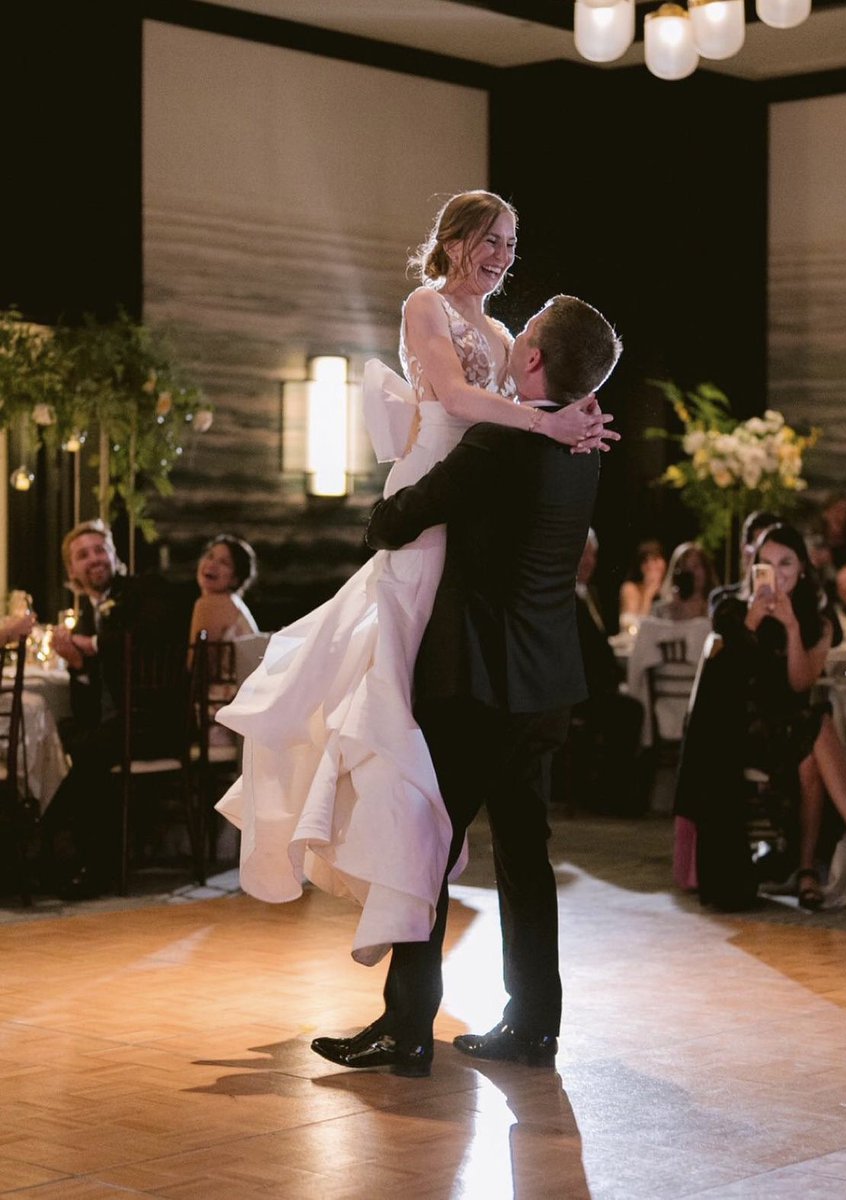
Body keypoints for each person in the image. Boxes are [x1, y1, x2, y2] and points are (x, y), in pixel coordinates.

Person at [215, 192, 612, 966]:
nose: (502, 255)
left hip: (470, 494)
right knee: (388, 665)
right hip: (433, 474)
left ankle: (398, 917)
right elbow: (463, 401)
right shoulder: (424, 304)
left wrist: (565, 419)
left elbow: (523, 400)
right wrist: (554, 424)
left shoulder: (503, 334)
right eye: (490, 239)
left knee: (414, 711)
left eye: (511, 243)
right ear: (454, 240)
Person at [310, 293, 622, 1077]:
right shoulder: (582, 448)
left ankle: (405, 1027)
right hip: (545, 684)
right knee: (524, 855)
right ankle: (533, 1024)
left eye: (529, 334)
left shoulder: (496, 445)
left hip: (477, 684)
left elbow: (392, 524)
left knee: (422, 845)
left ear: (532, 360)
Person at [676, 522, 846, 912]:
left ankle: (808, 870)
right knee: (816, 726)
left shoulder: (818, 620)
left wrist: (790, 626)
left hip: (788, 728)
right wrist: (754, 618)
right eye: (765, 563)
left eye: (786, 563)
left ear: (802, 567)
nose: (777, 572)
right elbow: (727, 680)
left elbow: (799, 682)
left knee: (811, 747)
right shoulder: (729, 606)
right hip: (738, 730)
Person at [42, 519, 180, 897]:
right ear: (72, 570)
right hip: (112, 727)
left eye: (99, 550)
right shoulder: (87, 615)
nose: (94, 559)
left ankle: (51, 844)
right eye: (83, 555)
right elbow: (89, 702)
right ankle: (80, 859)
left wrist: (91, 646)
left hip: (153, 722)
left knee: (88, 752)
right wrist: (77, 665)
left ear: (115, 555)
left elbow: (150, 635)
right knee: (72, 739)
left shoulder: (145, 590)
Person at [562, 529, 645, 816]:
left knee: (629, 707)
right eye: (584, 553)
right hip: (577, 690)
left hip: (594, 684)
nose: (589, 561)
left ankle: (614, 790)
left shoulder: (590, 594)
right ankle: (611, 794)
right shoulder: (565, 597)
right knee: (629, 712)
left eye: (593, 554)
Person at [189, 534, 259, 644]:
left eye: (224, 562)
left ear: (235, 579)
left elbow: (200, 659)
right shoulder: (233, 602)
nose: (212, 564)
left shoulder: (211, 603)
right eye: (210, 556)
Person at [652, 541, 717, 622]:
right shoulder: (661, 612)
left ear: (705, 569)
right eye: (685, 569)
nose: (692, 574)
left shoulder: (716, 610)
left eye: (695, 566)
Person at [618, 539, 667, 628]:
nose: (651, 566)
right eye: (645, 562)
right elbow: (634, 627)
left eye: (655, 559)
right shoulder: (630, 589)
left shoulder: (671, 586)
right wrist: (648, 595)